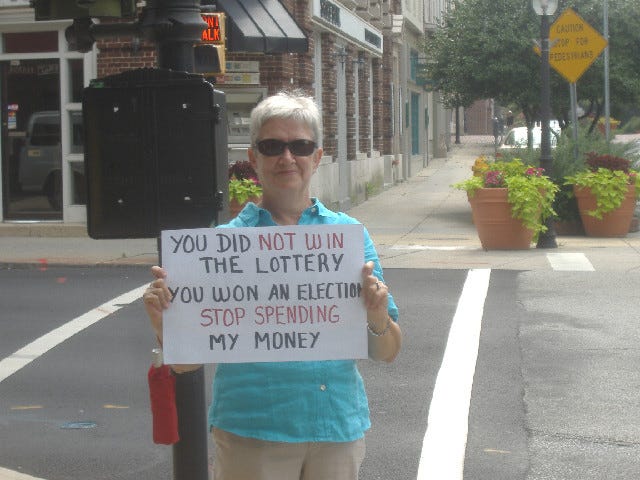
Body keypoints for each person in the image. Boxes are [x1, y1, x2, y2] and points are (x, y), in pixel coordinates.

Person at [142, 91, 402, 480]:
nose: (287, 157)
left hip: (336, 427)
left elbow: (387, 352)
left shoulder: (347, 237)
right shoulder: (221, 248)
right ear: (253, 158)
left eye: (300, 146)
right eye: (272, 146)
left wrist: (377, 314)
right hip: (252, 433)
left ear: (316, 157)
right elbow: (186, 362)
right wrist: (165, 322)